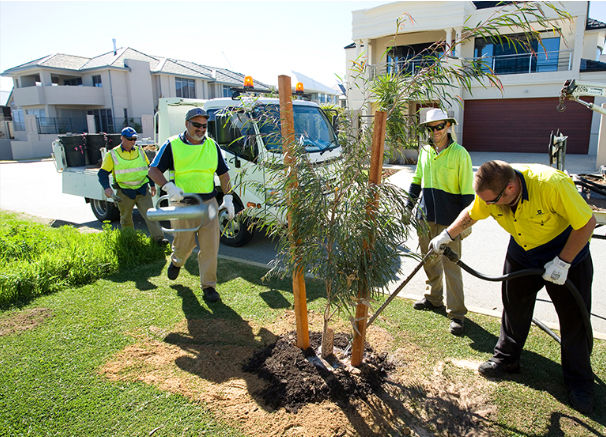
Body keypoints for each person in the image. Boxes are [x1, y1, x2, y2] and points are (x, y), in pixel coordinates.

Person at [430, 160, 596, 415]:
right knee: (514, 306)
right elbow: (472, 213)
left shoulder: (551, 185)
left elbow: (587, 223)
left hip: (566, 251)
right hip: (523, 251)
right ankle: (506, 360)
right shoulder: (491, 194)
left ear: (510, 188)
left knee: (574, 318)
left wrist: (563, 262)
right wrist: (447, 235)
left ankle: (580, 382)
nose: (487, 205)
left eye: (491, 201)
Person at [148, 107, 234, 303]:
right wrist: (168, 187)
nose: (201, 129)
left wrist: (227, 197)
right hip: (183, 203)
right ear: (186, 124)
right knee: (185, 244)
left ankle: (209, 287)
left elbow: (223, 174)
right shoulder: (172, 144)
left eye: (204, 125)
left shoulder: (212, 146)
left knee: (211, 247)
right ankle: (177, 261)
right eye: (196, 125)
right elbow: (153, 171)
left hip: (209, 203)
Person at [407, 109, 475, 335]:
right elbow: (417, 181)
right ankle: (433, 298)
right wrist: (408, 207)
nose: (435, 131)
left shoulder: (460, 154)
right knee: (430, 262)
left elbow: (468, 195)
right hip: (425, 218)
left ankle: (457, 314)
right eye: (431, 127)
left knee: (452, 267)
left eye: (439, 126)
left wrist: (466, 225)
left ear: (448, 126)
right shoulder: (425, 151)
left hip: (450, 222)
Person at [98, 126, 168, 246]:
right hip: (124, 192)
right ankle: (130, 242)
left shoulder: (140, 151)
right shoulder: (113, 154)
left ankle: (158, 239)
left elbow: (148, 169)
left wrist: (152, 185)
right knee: (126, 219)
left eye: (134, 139)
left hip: (142, 189)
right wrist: (107, 187)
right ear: (122, 138)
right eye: (130, 139)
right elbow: (102, 173)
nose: (133, 141)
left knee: (151, 215)